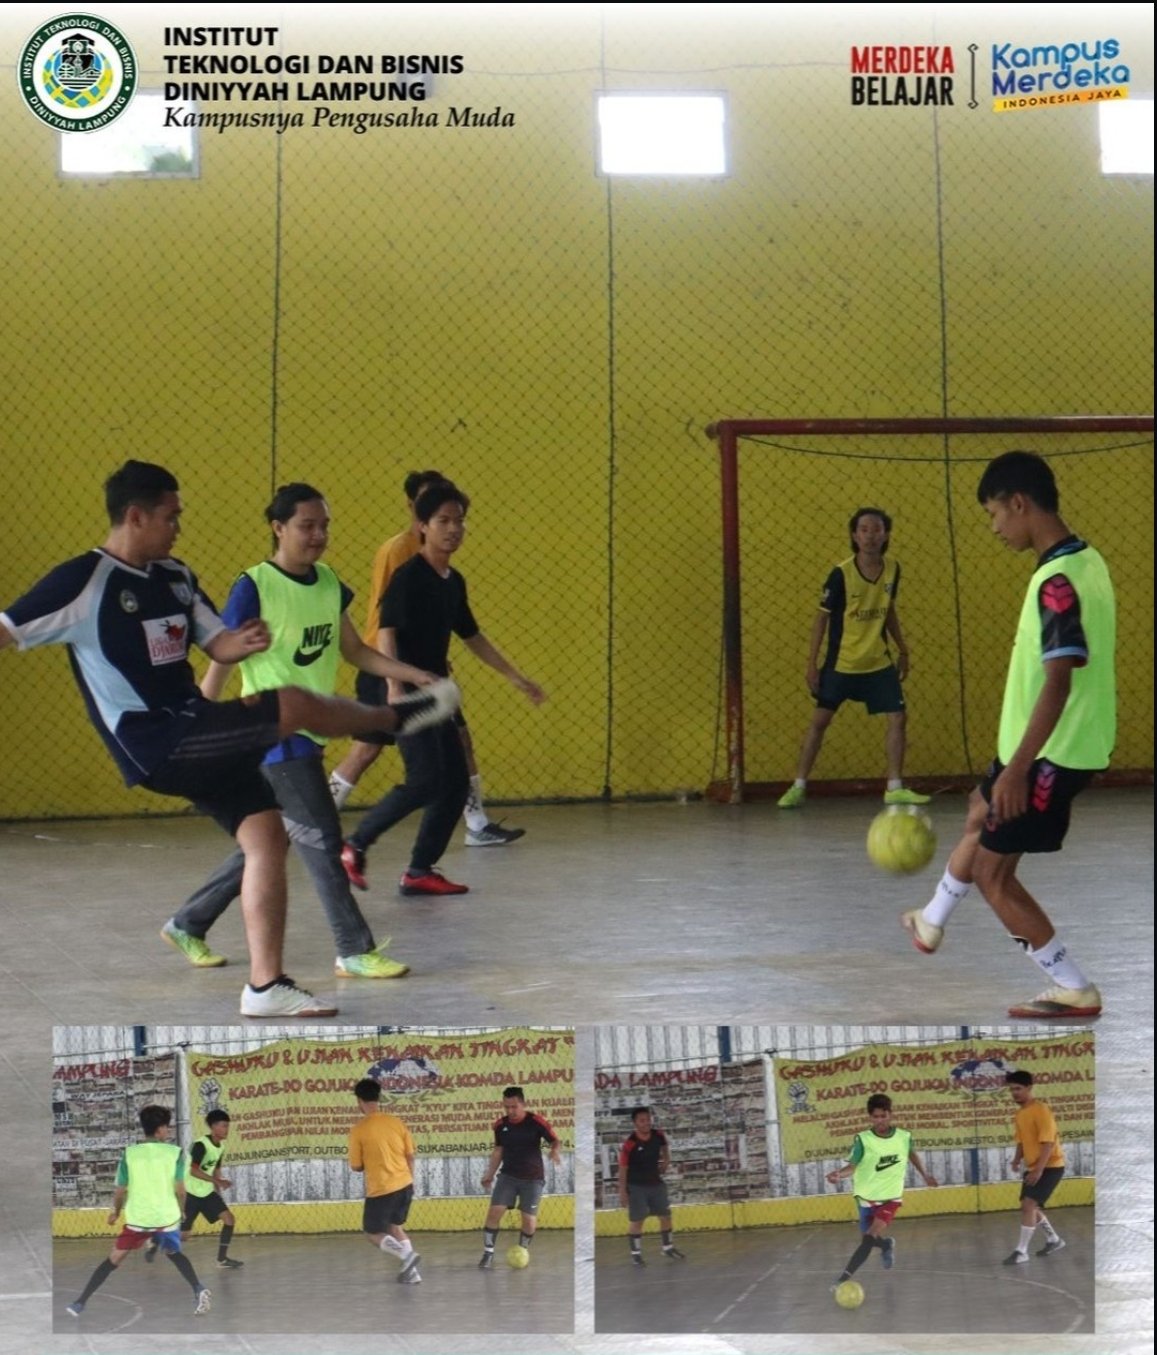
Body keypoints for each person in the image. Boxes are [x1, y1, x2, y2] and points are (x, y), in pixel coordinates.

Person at [0, 461, 460, 1018]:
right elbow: (8, 629)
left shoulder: (176, 576)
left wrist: (243, 642)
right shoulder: (83, 581)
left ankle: (265, 987)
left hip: (194, 724)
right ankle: (394, 719)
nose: (179, 527)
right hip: (153, 742)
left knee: (267, 837)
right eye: (171, 517)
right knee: (292, 705)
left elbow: (217, 644)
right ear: (136, 516)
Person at [160, 483, 433, 979]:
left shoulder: (328, 582)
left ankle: (187, 922)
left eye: (324, 525)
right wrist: (200, 713)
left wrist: (410, 674)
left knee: (276, 839)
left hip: (312, 728)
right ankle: (353, 948)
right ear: (278, 528)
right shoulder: (255, 585)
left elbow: (354, 650)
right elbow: (223, 653)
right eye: (307, 526)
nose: (318, 535)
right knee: (324, 840)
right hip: (275, 732)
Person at [901, 451, 1114, 1018]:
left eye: (994, 513)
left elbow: (1059, 682)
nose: (994, 527)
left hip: (1049, 753)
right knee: (980, 809)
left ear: (1019, 503)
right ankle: (931, 921)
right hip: (1040, 744)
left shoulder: (1056, 583)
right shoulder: (1086, 560)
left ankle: (1074, 987)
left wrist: (1018, 769)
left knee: (993, 874)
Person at [340, 482, 546, 897]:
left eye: (460, 521)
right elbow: (386, 631)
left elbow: (473, 636)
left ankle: (419, 871)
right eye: (443, 521)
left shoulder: (453, 581)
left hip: (435, 690)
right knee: (425, 778)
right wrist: (395, 686)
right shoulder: (409, 576)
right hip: (403, 688)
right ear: (422, 526)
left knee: (453, 781)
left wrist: (514, 676)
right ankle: (355, 845)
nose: (453, 529)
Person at [777, 507, 930, 808]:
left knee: (898, 717)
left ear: (886, 535)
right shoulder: (841, 574)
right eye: (864, 530)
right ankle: (798, 785)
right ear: (854, 536)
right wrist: (812, 664)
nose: (870, 535)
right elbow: (821, 619)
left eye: (877, 529)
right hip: (843, 663)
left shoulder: (893, 569)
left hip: (878, 662)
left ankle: (894, 786)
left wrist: (903, 649)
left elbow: (888, 610)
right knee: (820, 721)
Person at [65, 1105, 212, 1318]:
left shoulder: (129, 1154)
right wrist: (182, 1211)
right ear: (160, 1129)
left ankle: (80, 1302)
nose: (168, 1131)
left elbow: (120, 1191)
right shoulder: (175, 1153)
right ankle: (198, 1288)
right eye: (167, 1127)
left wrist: (116, 1212)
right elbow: (180, 1190)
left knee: (113, 1260)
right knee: (174, 1253)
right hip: (165, 1217)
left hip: (138, 1219)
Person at [825, 1092, 938, 1285]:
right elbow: (852, 1166)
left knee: (869, 1237)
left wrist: (925, 1174)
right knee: (868, 1238)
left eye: (883, 1116)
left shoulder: (903, 1137)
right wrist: (838, 1174)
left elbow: (911, 1154)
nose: (880, 1121)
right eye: (875, 1117)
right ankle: (886, 1245)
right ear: (870, 1117)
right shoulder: (863, 1140)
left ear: (890, 1114)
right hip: (866, 1198)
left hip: (890, 1198)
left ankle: (842, 1280)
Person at [477, 1085, 562, 1269]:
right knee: (494, 1212)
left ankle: (522, 1250)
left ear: (523, 1104)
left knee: (529, 1221)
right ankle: (488, 1253)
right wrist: (489, 1174)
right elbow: (498, 1150)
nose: (510, 1111)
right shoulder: (500, 1125)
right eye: (506, 1107)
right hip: (508, 1176)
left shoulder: (536, 1121)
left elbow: (555, 1140)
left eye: (514, 1106)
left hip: (533, 1178)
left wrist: (555, 1151)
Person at [145, 1109, 242, 1269]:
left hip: (206, 1192)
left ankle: (222, 1259)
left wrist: (219, 1183)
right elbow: (193, 1171)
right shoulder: (200, 1145)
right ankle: (156, 1238)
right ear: (214, 1127)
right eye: (224, 1126)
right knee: (183, 1236)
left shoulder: (220, 1147)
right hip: (190, 1193)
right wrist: (216, 1181)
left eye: (227, 1126)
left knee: (229, 1219)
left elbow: (215, 1168)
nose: (227, 1129)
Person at [348, 1077, 422, 1284]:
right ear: (378, 1097)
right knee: (394, 1227)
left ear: (359, 1101)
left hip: (382, 1189)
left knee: (372, 1233)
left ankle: (407, 1256)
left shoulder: (359, 1130)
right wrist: (410, 1180)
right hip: (405, 1184)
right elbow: (410, 1155)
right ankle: (413, 1274)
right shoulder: (396, 1123)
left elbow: (356, 1166)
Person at [1003, 1069, 1067, 1265]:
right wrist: (1016, 1160)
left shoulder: (1041, 1110)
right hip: (1034, 1167)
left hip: (1050, 1166)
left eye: (1018, 1089)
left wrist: (1039, 1170)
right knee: (1029, 1206)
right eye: (1012, 1089)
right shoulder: (1020, 1113)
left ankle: (1021, 1251)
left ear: (1029, 1088)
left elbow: (1048, 1143)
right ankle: (1054, 1240)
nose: (1014, 1093)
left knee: (1028, 1206)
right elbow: (1021, 1141)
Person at [617, 1106, 685, 1266]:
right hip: (636, 1186)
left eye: (648, 1119)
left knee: (665, 1216)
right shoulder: (630, 1144)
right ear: (635, 1123)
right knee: (638, 1220)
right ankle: (636, 1254)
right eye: (642, 1120)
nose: (646, 1123)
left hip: (656, 1183)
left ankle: (668, 1248)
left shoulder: (658, 1135)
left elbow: (664, 1146)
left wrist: (666, 1160)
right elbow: (623, 1168)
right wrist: (622, 1191)